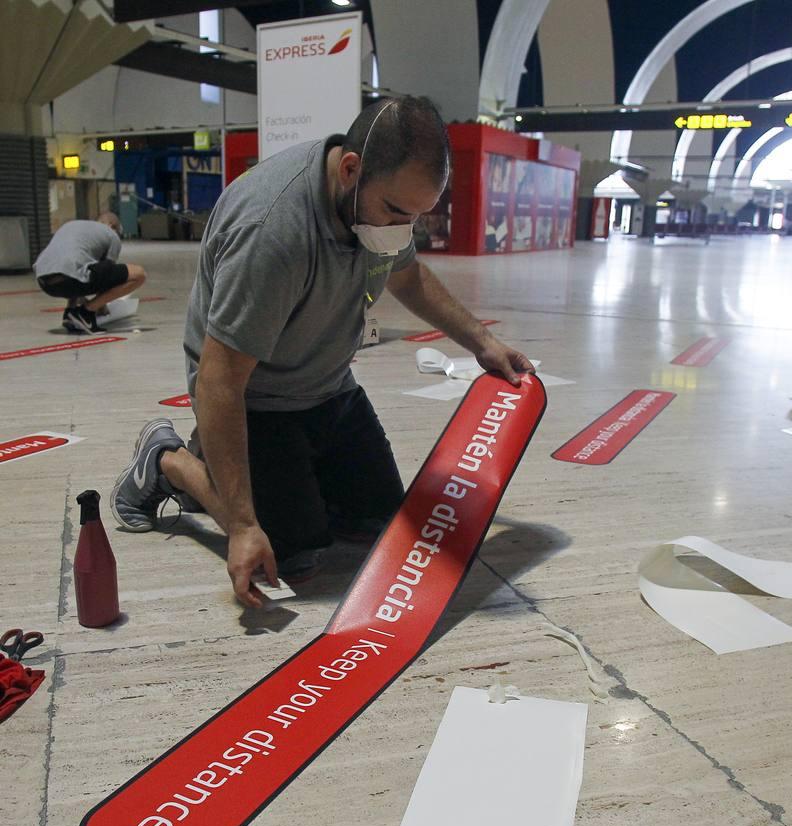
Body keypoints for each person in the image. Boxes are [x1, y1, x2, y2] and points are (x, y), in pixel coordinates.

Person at [110, 96, 534, 608]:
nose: (404, 230)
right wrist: (243, 525)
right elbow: (220, 381)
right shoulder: (271, 232)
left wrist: (483, 343)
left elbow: (409, 276)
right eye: (398, 213)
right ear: (350, 170)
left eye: (418, 217)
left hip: (330, 387)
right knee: (290, 555)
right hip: (257, 399)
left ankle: (294, 485)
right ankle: (168, 461)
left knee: (377, 525)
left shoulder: (379, 202)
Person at [33, 212, 146, 335]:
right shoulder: (111, 234)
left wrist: (74, 302)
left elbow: (69, 262)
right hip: (70, 278)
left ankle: (70, 312)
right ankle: (85, 313)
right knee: (138, 274)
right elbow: (107, 270)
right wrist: (100, 304)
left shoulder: (70, 225)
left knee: (78, 266)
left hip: (45, 282)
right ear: (112, 225)